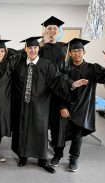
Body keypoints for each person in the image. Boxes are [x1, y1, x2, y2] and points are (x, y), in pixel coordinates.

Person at [11, 36, 88, 173]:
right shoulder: (19, 64)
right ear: (26, 49)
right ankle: (23, 156)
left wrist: (71, 83)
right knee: (22, 129)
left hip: (40, 104)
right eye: (30, 47)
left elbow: (59, 79)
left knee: (40, 131)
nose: (33, 50)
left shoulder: (47, 65)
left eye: (35, 47)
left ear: (39, 48)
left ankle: (42, 160)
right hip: (22, 105)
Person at [50, 38, 105, 172]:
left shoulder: (92, 68)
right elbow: (57, 90)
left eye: (79, 50)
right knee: (60, 133)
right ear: (70, 53)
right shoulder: (64, 70)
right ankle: (57, 155)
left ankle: (73, 159)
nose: (77, 53)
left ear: (84, 52)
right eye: (73, 51)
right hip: (66, 107)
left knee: (77, 134)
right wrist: (62, 107)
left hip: (83, 107)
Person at [38, 16, 68, 148]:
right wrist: (42, 43)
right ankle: (41, 145)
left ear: (59, 31)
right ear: (45, 31)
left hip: (59, 86)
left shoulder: (65, 47)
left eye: (55, 28)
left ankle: (56, 145)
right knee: (41, 118)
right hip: (42, 87)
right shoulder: (40, 46)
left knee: (57, 119)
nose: (52, 30)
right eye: (49, 28)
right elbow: (29, 57)